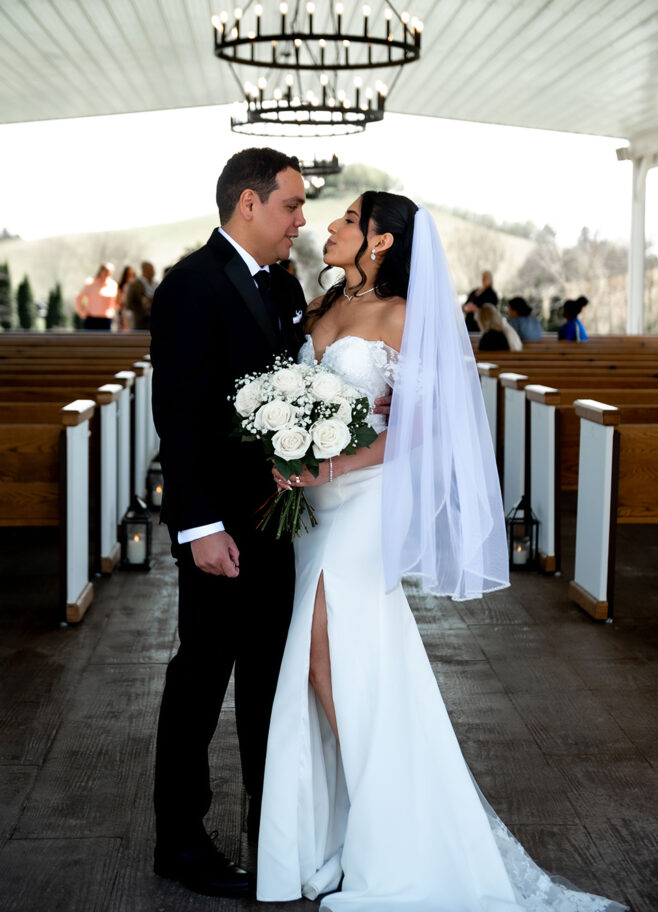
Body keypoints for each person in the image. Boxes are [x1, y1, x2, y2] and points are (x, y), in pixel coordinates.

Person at [257, 193, 624, 912]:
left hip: (364, 501)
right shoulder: (317, 305)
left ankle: (390, 828)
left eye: (348, 220)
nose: (330, 225)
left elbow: (423, 428)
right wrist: (286, 447)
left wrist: (333, 463)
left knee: (323, 651)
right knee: (337, 660)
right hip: (313, 509)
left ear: (382, 241)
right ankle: (357, 824)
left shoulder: (403, 317)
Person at [149, 148, 308, 898]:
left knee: (268, 677)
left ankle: (268, 828)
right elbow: (177, 415)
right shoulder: (191, 283)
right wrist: (199, 526)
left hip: (276, 520)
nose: (299, 221)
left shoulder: (283, 284)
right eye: (290, 205)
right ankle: (179, 843)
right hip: (218, 525)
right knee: (201, 678)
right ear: (249, 203)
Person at [74, 262, 118, 330]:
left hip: (106, 320)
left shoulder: (113, 285)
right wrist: (82, 312)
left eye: (109, 272)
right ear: (100, 271)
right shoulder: (91, 284)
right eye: (105, 271)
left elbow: (115, 302)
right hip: (92, 319)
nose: (107, 273)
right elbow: (79, 297)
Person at [126, 261, 157, 330]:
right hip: (140, 322)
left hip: (154, 322)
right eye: (150, 269)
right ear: (144, 270)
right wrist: (144, 302)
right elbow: (129, 303)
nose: (152, 271)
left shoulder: (156, 284)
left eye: (152, 269)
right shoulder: (134, 285)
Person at [116, 264, 137, 331]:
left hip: (132, 311)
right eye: (129, 274)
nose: (130, 276)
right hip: (123, 311)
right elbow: (119, 300)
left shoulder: (136, 285)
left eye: (132, 274)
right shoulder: (122, 286)